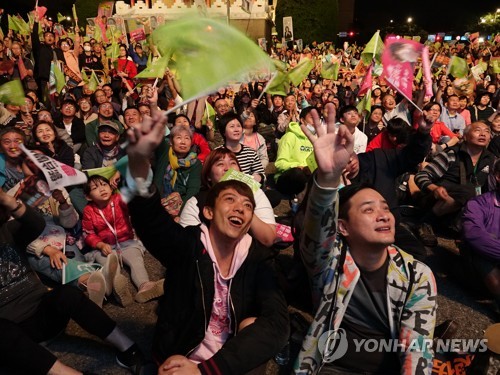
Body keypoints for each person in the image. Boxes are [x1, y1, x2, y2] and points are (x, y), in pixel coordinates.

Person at [123, 110, 289, 374]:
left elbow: (277, 324)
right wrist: (139, 164)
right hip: (181, 355)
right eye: (230, 200)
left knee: (255, 325)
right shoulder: (189, 245)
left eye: (248, 205)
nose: (240, 208)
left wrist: (206, 371)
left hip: (227, 363)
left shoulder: (258, 257)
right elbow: (152, 223)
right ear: (208, 212)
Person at [295, 103, 437, 374]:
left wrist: (422, 132)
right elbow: (315, 234)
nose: (383, 215)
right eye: (369, 210)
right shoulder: (331, 263)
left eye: (384, 207)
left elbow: (416, 353)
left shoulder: (418, 276)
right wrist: (327, 177)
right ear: (343, 227)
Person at [0, 185, 151, 374]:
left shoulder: (7, 231)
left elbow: (35, 224)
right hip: (12, 333)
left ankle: (129, 348)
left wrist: (9, 201)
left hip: (44, 314)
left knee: (67, 294)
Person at [82, 175, 164, 305]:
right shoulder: (88, 210)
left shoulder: (120, 199)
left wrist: (123, 185)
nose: (102, 189)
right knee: (108, 266)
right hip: (105, 247)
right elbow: (88, 233)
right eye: (95, 188)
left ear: (111, 187)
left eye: (104, 184)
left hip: (126, 241)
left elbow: (135, 202)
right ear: (88, 196)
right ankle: (119, 289)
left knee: (136, 261)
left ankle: (145, 286)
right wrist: (100, 244)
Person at [180, 148, 276, 247]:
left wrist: (246, 209)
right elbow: (185, 245)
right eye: (220, 164)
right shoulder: (196, 203)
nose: (228, 168)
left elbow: (268, 239)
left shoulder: (255, 193)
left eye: (233, 163)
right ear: (208, 175)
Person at [461, 160, 500, 315]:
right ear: (498, 177)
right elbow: (474, 235)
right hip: (481, 272)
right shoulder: (478, 203)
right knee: (479, 250)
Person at [153, 124, 202, 220]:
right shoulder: (165, 154)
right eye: (178, 138)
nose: (183, 142)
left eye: (187, 138)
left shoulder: (195, 163)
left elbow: (193, 191)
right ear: (171, 141)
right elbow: (157, 137)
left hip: (181, 210)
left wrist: (180, 214)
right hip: (157, 206)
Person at [274, 106, 314, 197]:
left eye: (318, 118)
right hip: (289, 176)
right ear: (302, 120)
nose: (315, 121)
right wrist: (300, 167)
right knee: (298, 174)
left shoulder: (316, 139)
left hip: (310, 175)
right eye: (312, 118)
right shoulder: (289, 136)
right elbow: (279, 164)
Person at [218, 112, 265, 183]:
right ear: (223, 132)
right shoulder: (217, 153)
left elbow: (262, 175)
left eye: (238, 126)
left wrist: (258, 177)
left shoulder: (250, 153)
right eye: (232, 126)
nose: (236, 129)